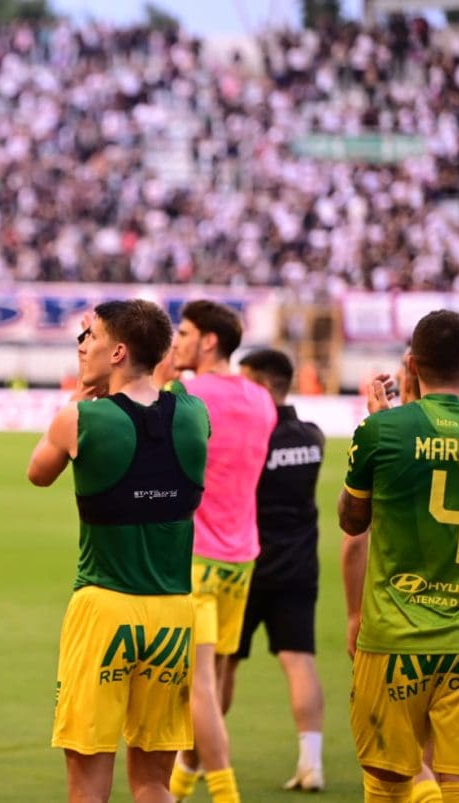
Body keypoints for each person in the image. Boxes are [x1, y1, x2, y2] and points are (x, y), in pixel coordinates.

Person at [340, 310, 459, 803]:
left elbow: (352, 522)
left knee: (388, 784)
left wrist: (377, 427)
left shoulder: (381, 432)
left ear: (411, 364)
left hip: (394, 636)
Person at [27, 300, 209, 803]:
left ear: (119, 352)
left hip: (104, 607)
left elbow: (38, 472)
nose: (82, 346)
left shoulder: (80, 418)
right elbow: (163, 400)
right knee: (153, 782)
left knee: (88, 786)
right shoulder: (194, 414)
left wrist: (79, 396)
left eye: (91, 337)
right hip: (173, 611)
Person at [159, 299, 276, 803]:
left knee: (199, 688)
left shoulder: (186, 395)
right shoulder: (262, 400)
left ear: (209, 341)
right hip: (241, 556)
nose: (177, 341)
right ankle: (180, 783)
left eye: (184, 333)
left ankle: (226, 793)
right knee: (218, 681)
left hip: (195, 557)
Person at [222, 349, 326, 792]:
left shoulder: (250, 437)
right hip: (299, 566)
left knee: (223, 663)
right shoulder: (313, 437)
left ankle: (202, 759)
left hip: (247, 564)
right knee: (299, 661)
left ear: (262, 386)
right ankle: (311, 762)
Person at [341, 348, 441, 803]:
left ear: (409, 374)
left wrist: (354, 613)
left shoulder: (386, 436)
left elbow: (354, 535)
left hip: (396, 616)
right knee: (435, 752)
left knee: (394, 767)